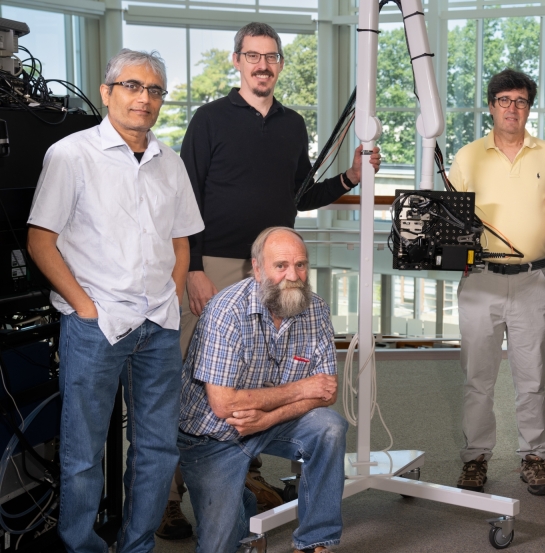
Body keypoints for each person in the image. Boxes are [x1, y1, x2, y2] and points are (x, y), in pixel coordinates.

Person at [159, 21, 380, 538]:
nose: (262, 65)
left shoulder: (292, 124)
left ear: (279, 64)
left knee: (265, 374)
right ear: (237, 61)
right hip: (214, 266)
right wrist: (192, 268)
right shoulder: (209, 119)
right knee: (194, 383)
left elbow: (297, 194)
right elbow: (183, 200)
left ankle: (249, 476)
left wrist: (348, 177)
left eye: (271, 57)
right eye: (252, 56)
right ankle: (171, 497)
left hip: (272, 272)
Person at [26, 49, 204, 552]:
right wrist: (85, 306)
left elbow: (180, 240)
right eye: (132, 86)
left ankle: (137, 545)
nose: (143, 99)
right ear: (107, 93)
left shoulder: (170, 162)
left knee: (156, 448)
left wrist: (168, 297)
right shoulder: (71, 154)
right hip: (95, 326)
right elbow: (41, 240)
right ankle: (81, 546)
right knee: (83, 453)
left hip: (158, 325)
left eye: (154, 90)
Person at [178, 227, 347, 553]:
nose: (293, 275)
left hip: (268, 422)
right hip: (213, 434)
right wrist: (301, 388)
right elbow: (224, 405)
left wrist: (269, 418)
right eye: (280, 265)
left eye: (300, 265)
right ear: (257, 269)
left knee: (330, 427)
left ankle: (314, 543)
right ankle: (240, 501)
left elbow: (326, 394)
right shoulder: (225, 311)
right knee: (220, 546)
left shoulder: (316, 309)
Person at [449, 68, 545, 495]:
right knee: (479, 377)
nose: (512, 108)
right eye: (504, 100)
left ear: (530, 108)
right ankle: (475, 459)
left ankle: (534, 457)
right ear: (491, 105)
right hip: (480, 281)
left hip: (532, 281)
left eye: (521, 101)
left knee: (532, 377)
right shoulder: (468, 156)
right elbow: (451, 221)